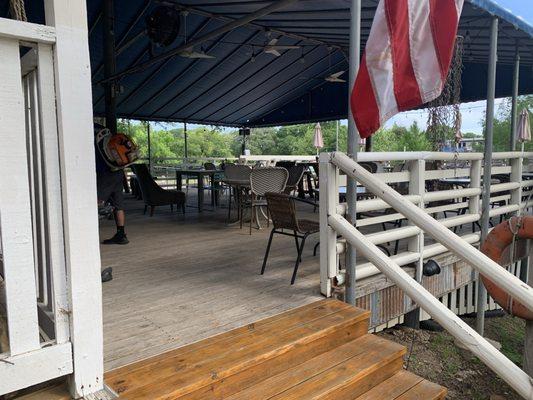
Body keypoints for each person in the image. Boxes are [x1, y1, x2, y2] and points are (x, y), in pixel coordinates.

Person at [95, 124, 129, 245]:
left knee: (96, 201)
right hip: (117, 172)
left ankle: (89, 234)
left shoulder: (92, 134)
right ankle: (121, 234)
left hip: (105, 173)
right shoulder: (107, 132)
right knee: (118, 204)